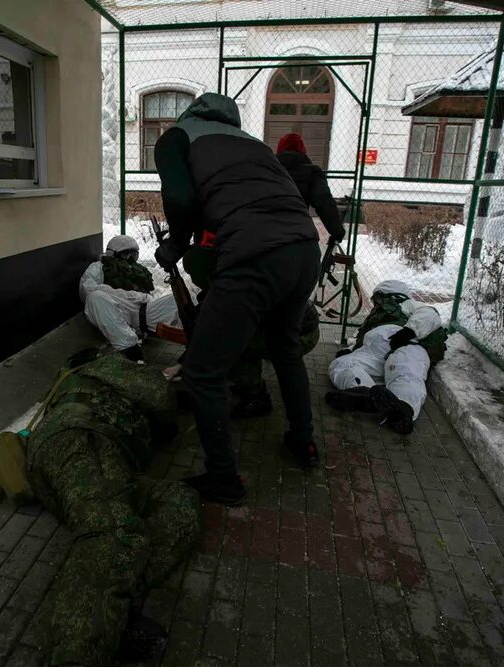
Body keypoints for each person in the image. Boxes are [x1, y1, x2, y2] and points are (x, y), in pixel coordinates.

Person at [153, 92, 320, 506]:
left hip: (256, 254)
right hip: (304, 249)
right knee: (285, 349)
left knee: (204, 370)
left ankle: (223, 479)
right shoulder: (253, 144)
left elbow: (180, 198)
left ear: (190, 113)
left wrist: (175, 245)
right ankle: (304, 443)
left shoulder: (177, 137)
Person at [25, 349, 201, 665]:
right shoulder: (104, 366)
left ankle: (111, 607)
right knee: (116, 534)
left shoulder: (80, 380)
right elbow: (158, 395)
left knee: (180, 503)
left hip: (102, 457)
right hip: (81, 442)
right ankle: (75, 654)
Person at [180, 244, 321, 419]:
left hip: (301, 335)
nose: (194, 281)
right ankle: (248, 382)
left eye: (194, 276)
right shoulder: (236, 268)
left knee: (233, 345)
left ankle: (257, 397)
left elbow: (230, 326)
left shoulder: (237, 286)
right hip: (297, 325)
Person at [325, 280, 448, 434]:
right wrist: (350, 350)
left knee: (405, 371)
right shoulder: (375, 317)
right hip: (374, 352)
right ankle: (367, 395)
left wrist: (409, 331)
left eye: (377, 298)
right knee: (341, 364)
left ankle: (403, 409)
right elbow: (362, 340)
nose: (375, 303)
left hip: (406, 345)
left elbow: (430, 314)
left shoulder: (407, 304)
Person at [80, 235, 180, 363]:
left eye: (134, 254)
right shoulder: (98, 267)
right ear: (114, 253)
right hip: (116, 312)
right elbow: (87, 289)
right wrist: (124, 295)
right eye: (127, 254)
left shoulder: (134, 270)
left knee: (178, 300)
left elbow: (148, 294)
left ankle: (196, 345)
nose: (131, 258)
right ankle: (131, 349)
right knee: (95, 298)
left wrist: (140, 296)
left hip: (144, 313)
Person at [275, 132, 345, 242]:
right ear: (303, 150)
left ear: (279, 150)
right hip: (300, 233)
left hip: (270, 233)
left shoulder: (269, 170)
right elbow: (324, 203)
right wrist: (337, 232)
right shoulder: (312, 172)